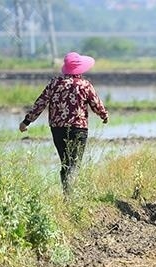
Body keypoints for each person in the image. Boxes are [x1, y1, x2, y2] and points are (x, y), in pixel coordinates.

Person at [19, 51, 109, 194]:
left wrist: (26, 121)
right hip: (78, 128)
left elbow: (40, 103)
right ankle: (70, 195)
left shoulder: (54, 83)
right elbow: (96, 104)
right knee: (74, 162)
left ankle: (67, 194)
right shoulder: (84, 85)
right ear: (80, 69)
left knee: (66, 162)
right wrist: (104, 116)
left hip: (57, 129)